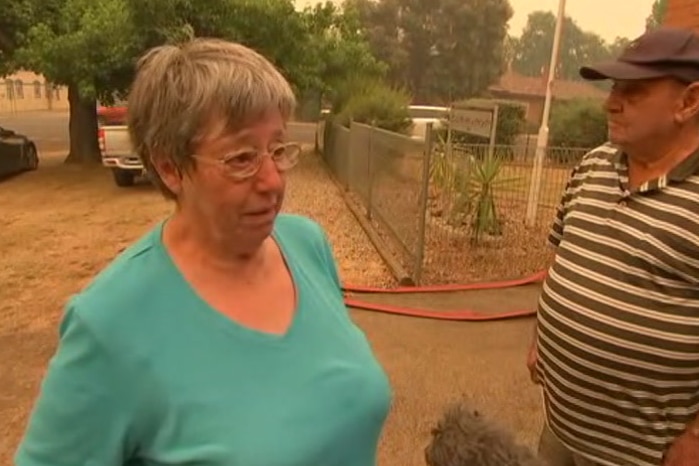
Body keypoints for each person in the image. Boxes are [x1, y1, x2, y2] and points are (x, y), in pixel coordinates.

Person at [15, 38, 392, 466]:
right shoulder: (110, 324)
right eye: (241, 158)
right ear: (170, 167)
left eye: (277, 150)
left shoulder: (308, 246)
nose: (272, 181)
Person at [526, 26, 699, 466]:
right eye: (613, 87)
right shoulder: (594, 165)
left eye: (634, 92)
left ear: (689, 102)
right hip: (561, 429)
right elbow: (563, 258)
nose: (610, 102)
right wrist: (540, 338)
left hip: (643, 455)